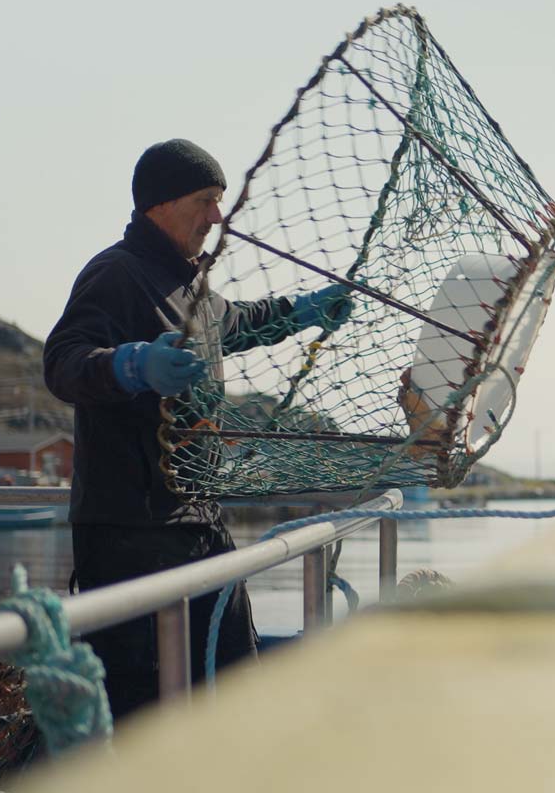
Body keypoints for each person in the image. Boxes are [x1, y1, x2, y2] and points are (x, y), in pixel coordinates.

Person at [44, 138, 352, 717]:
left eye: (220, 202)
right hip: (127, 533)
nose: (217, 217)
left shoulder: (194, 290)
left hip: (199, 522)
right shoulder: (115, 273)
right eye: (206, 201)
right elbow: (62, 362)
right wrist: (131, 364)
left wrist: (307, 311)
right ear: (160, 204)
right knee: (139, 708)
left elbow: (242, 322)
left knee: (234, 675)